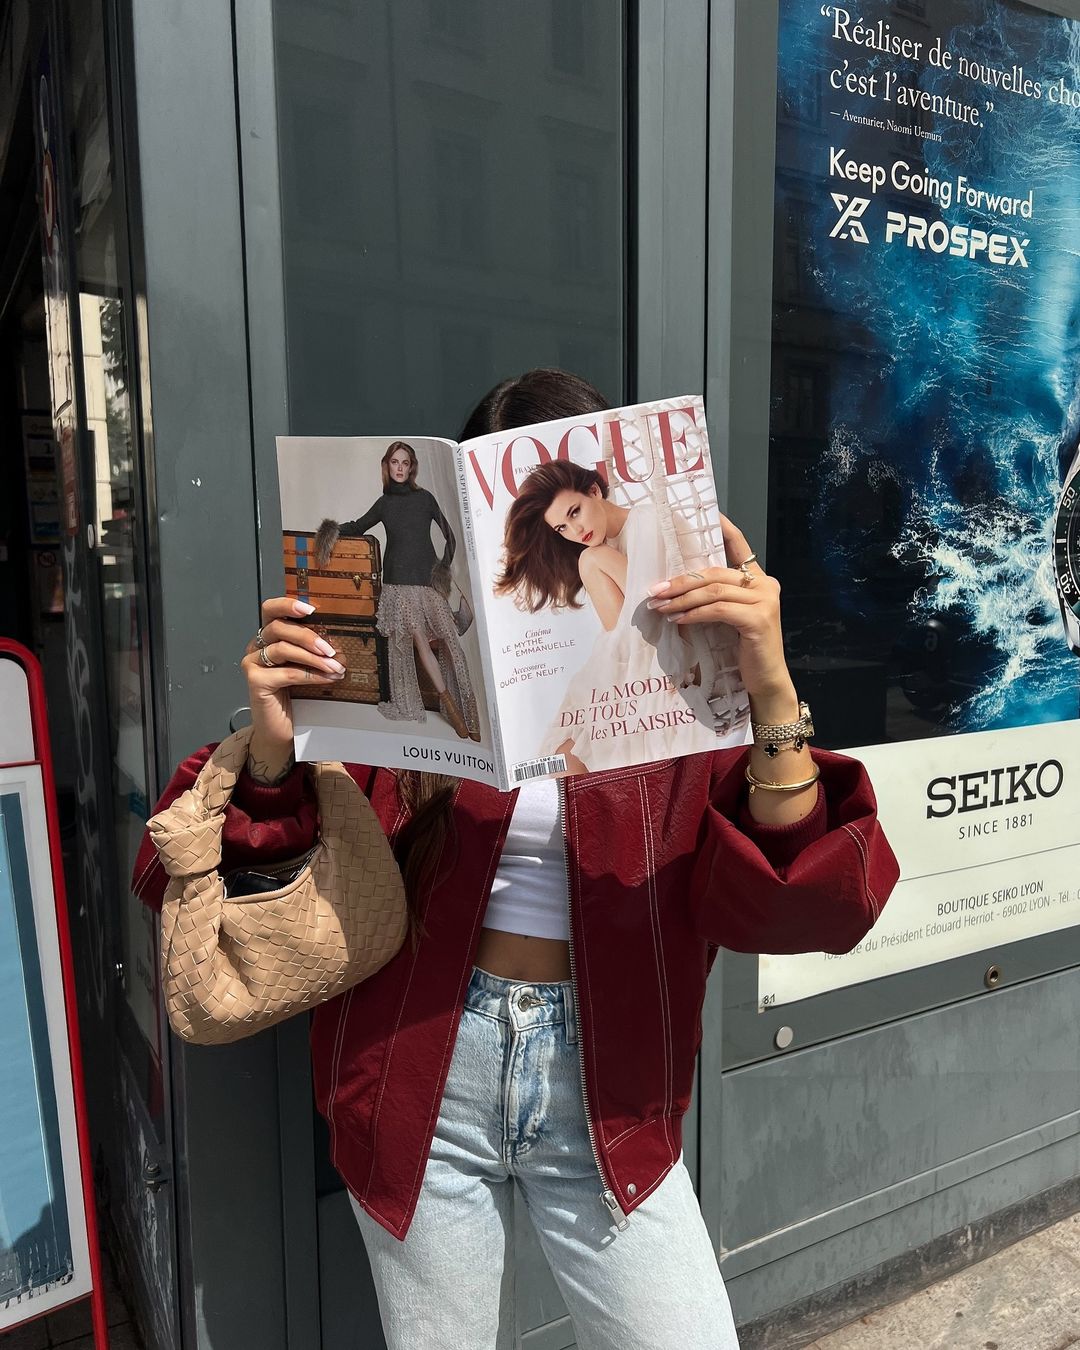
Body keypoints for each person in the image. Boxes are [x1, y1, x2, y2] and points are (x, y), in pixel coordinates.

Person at [133, 368, 899, 1350]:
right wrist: (281, 741)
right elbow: (223, 868)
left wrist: (769, 683)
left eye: (585, 512)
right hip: (421, 1071)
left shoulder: (678, 672)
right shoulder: (424, 659)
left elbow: (811, 910)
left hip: (611, 1080)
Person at [495, 457, 745, 772]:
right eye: (562, 527)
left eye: (575, 512)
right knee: (564, 753)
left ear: (594, 492)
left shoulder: (644, 520)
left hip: (678, 652)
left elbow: (648, 617)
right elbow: (624, 637)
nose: (576, 530)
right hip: (645, 656)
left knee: (572, 752)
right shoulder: (608, 545)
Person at [332, 439, 480, 741]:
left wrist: (442, 567)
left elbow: (450, 537)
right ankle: (451, 710)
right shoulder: (385, 502)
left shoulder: (425, 499)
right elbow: (358, 526)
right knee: (421, 643)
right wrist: (329, 531)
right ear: (387, 466)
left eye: (405, 462)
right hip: (397, 584)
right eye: (394, 462)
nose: (399, 468)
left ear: (411, 468)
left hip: (426, 583)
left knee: (451, 640)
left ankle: (470, 712)